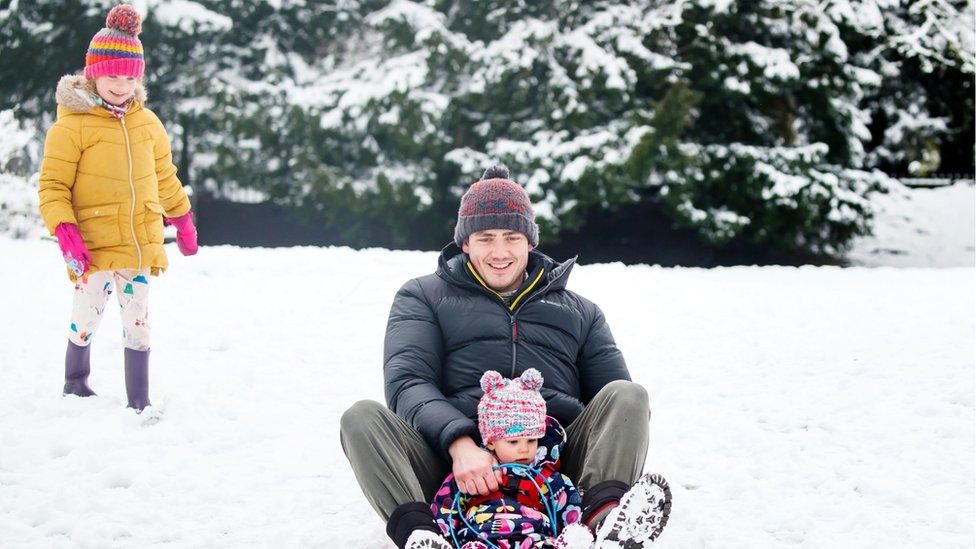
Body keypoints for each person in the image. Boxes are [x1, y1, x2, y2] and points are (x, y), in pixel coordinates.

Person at [340, 165, 669, 549]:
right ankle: (423, 535)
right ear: (465, 243)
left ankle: (605, 522)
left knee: (629, 395)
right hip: (453, 469)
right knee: (360, 418)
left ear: (530, 241)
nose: (499, 252)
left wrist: (547, 446)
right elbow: (407, 383)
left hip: (554, 467)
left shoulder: (581, 312)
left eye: (512, 237)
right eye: (485, 238)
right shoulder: (423, 296)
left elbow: (615, 406)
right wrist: (460, 444)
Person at [37, 4, 198, 412]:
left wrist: (181, 217)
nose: (121, 85)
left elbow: (165, 176)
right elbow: (53, 185)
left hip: (138, 244)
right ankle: (76, 382)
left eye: (130, 76)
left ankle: (138, 398)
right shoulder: (71, 126)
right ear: (93, 73)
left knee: (139, 323)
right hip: (90, 246)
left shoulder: (148, 124)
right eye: (112, 75)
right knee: (86, 316)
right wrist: (65, 230)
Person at [429, 369, 593, 549]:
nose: (524, 449)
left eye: (532, 440)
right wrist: (443, 536)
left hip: (534, 539)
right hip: (482, 538)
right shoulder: (473, 474)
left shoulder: (549, 480)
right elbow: (445, 507)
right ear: (491, 442)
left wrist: (575, 532)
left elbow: (570, 512)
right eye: (513, 441)